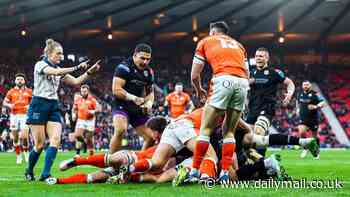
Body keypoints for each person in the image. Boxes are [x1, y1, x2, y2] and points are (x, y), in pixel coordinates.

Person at [24, 38, 100, 181]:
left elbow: (76, 82)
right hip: (38, 104)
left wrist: (90, 72)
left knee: (56, 139)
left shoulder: (59, 69)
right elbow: (54, 72)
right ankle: (29, 170)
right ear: (49, 54)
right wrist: (77, 67)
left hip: (53, 105)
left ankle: (45, 174)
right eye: (58, 53)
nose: (61, 56)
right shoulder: (40, 64)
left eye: (62, 54)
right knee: (39, 145)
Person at [189, 21, 250, 183]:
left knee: (205, 129)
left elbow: (194, 76)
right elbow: (247, 73)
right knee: (229, 132)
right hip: (242, 82)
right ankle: (224, 173)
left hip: (223, 79)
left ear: (212, 32)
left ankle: (194, 171)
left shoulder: (206, 41)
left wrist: (199, 90)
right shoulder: (239, 45)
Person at [247, 47, 295, 156]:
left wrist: (289, 94)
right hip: (252, 109)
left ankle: (259, 162)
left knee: (259, 131)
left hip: (267, 108)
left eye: (261, 56)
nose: (258, 58)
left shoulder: (274, 72)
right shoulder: (250, 73)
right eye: (257, 56)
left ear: (267, 58)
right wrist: (247, 83)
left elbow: (289, 83)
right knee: (249, 138)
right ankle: (260, 162)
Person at [110, 43, 155, 153]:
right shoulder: (123, 67)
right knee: (120, 129)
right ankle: (111, 162)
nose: (145, 62)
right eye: (142, 58)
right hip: (122, 105)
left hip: (137, 108)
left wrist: (149, 104)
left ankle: (140, 165)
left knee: (151, 137)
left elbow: (150, 92)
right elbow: (116, 90)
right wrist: (133, 98)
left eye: (148, 59)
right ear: (135, 55)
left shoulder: (149, 72)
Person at [3, 73, 32, 164]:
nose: (19, 81)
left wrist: (29, 106)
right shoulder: (11, 91)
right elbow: (4, 102)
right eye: (18, 79)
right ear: (15, 81)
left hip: (25, 115)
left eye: (21, 79)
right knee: (15, 138)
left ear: (24, 81)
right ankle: (18, 156)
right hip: (14, 115)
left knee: (24, 136)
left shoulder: (29, 91)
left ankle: (26, 154)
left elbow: (35, 102)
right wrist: (9, 105)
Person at [297, 80, 325, 159]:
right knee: (301, 132)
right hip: (303, 118)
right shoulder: (300, 94)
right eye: (304, 85)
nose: (305, 86)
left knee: (314, 137)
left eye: (307, 85)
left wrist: (316, 106)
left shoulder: (315, 94)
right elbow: (298, 102)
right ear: (302, 86)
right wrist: (297, 109)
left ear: (310, 86)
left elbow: (322, 102)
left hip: (313, 119)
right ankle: (305, 148)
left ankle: (316, 151)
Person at [72, 84, 99, 156]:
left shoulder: (92, 100)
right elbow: (74, 108)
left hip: (90, 120)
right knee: (77, 135)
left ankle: (91, 152)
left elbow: (99, 109)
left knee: (89, 139)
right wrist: (74, 114)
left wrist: (93, 111)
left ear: (88, 91)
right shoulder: (78, 100)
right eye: (82, 91)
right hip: (81, 119)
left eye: (85, 91)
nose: (83, 93)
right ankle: (82, 145)